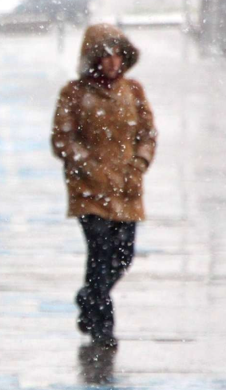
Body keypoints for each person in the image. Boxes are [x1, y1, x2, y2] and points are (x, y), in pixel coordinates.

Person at [51, 24, 157, 348]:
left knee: (123, 255)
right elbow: (63, 139)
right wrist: (89, 167)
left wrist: (138, 164)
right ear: (94, 58)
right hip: (90, 191)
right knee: (99, 253)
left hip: (127, 189)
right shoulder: (74, 93)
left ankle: (89, 298)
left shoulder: (134, 91)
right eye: (107, 55)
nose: (113, 62)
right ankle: (102, 323)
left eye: (118, 55)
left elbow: (147, 135)